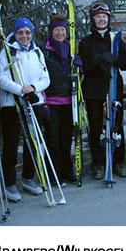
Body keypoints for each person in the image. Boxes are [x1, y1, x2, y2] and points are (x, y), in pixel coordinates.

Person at [0, 17, 50, 202]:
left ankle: (28, 177)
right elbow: (2, 79)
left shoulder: (37, 52)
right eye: (20, 32)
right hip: (12, 104)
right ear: (15, 34)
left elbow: (46, 78)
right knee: (11, 145)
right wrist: (20, 89)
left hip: (34, 102)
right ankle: (9, 183)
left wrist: (33, 88)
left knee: (33, 144)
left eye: (27, 32)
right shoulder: (8, 51)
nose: (24, 36)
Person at [79, 3, 126, 180]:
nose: (102, 19)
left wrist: (114, 59)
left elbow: (125, 63)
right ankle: (99, 162)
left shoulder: (116, 39)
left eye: (104, 16)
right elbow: (84, 65)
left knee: (116, 124)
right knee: (96, 126)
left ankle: (118, 160)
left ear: (109, 19)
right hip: (94, 90)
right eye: (98, 16)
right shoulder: (86, 42)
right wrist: (100, 58)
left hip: (113, 85)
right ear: (93, 19)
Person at [41, 14, 76, 186]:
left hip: (69, 101)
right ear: (51, 32)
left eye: (63, 30)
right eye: (57, 30)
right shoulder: (45, 51)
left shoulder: (71, 49)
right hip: (52, 102)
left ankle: (67, 171)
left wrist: (79, 66)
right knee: (53, 140)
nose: (60, 33)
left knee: (66, 139)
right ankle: (54, 174)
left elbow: (76, 75)